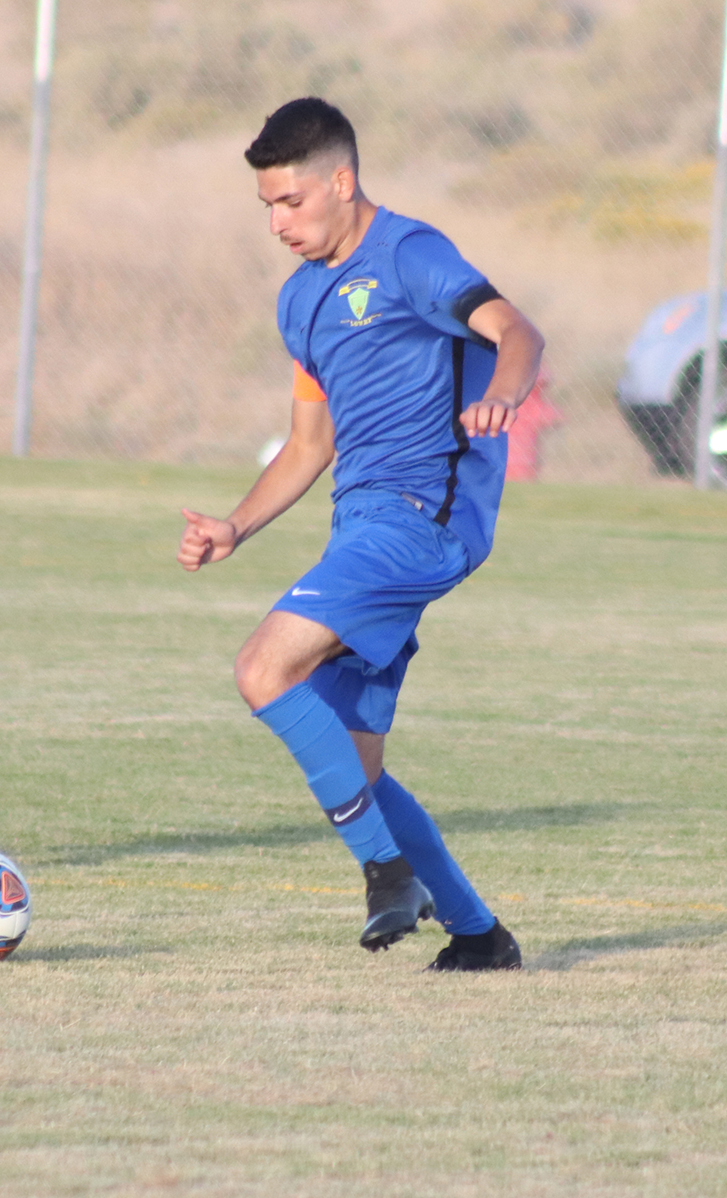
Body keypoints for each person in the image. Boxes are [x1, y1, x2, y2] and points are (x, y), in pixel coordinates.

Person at [177, 98, 544, 970]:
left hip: (423, 520)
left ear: (342, 182)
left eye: (292, 201)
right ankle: (479, 935)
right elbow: (310, 444)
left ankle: (386, 873)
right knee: (356, 762)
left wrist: (507, 393)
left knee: (262, 670)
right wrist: (237, 524)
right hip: (362, 528)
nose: (278, 222)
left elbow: (516, 330)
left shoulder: (411, 254)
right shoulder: (299, 301)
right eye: (267, 205)